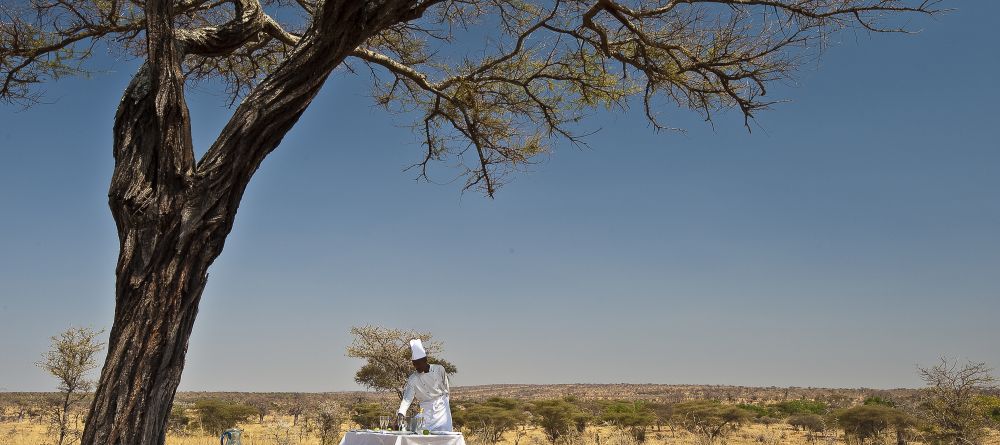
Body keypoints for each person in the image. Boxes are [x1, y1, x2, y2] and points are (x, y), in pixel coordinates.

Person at [396, 338, 453, 431]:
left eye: (418, 363)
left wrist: (445, 403)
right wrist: (401, 414)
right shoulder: (413, 379)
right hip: (425, 411)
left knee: (444, 436)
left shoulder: (439, 369)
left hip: (442, 410)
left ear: (425, 360)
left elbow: (447, 389)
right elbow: (407, 399)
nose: (416, 367)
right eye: (414, 364)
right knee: (422, 435)